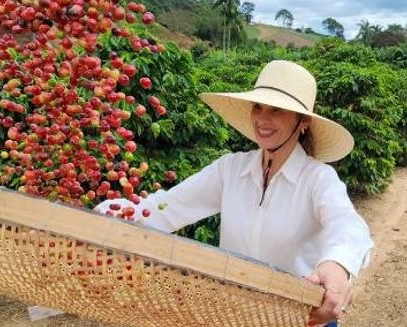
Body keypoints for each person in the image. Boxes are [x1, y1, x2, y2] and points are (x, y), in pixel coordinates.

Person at [95, 60, 374, 327]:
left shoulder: (317, 179)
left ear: (303, 122)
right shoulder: (231, 170)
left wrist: (337, 265)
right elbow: (165, 207)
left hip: (299, 320)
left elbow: (348, 225)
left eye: (277, 110)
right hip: (237, 316)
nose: (263, 118)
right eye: (258, 107)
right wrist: (101, 217)